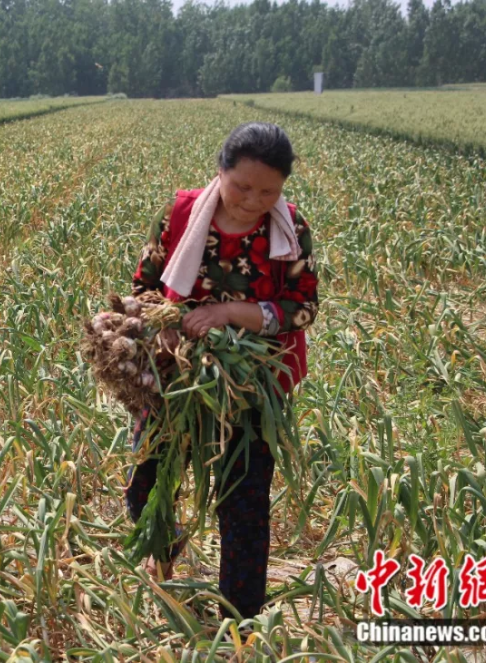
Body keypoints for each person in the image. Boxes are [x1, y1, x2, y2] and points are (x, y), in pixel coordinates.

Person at [125, 122, 319, 621]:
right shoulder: (181, 213)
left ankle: (240, 618)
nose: (254, 200)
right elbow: (143, 285)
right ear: (220, 171)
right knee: (148, 480)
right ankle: (166, 573)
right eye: (243, 186)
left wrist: (229, 314)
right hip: (176, 376)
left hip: (252, 382)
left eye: (268, 191)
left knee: (245, 499)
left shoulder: (289, 228)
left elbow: (302, 308)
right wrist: (162, 326)